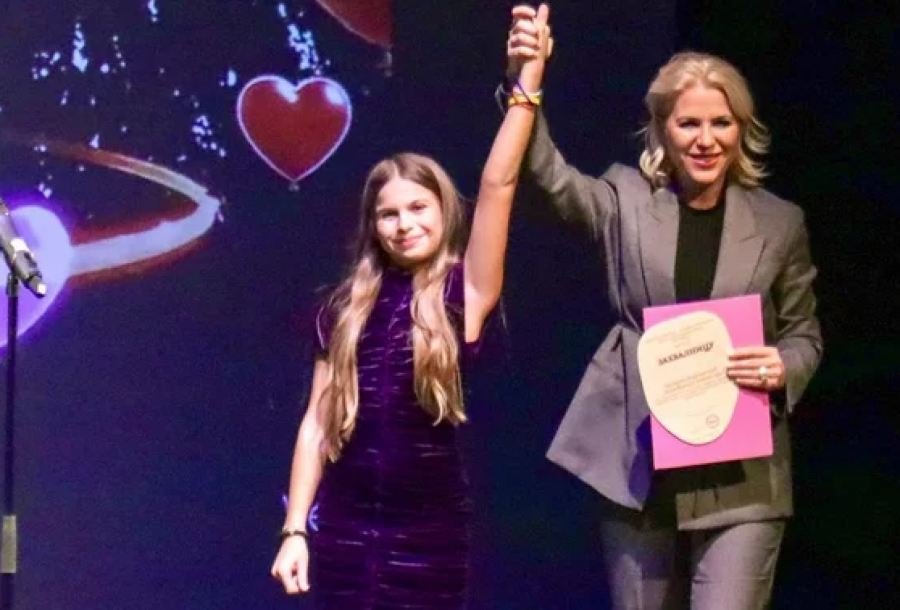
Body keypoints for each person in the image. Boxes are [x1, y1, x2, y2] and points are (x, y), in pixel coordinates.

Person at [507, 5, 822, 609]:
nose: (706, 140)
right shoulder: (624, 198)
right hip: (640, 459)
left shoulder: (780, 223)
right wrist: (527, 82)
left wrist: (784, 366)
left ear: (742, 129)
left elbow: (804, 332)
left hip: (742, 469)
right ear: (662, 130)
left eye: (721, 123)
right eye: (688, 123)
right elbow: (545, 176)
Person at [270, 6, 553, 608]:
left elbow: (499, 185)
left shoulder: (462, 293)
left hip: (429, 539)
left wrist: (527, 85)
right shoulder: (343, 309)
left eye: (418, 208)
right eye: (389, 214)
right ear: (372, 225)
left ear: (443, 211)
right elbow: (317, 422)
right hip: (344, 533)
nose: (404, 225)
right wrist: (295, 531)